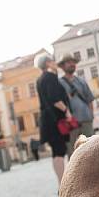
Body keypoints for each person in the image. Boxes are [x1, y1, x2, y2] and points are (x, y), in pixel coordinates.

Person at [34, 53, 72, 186]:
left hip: (47, 120)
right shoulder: (50, 77)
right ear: (47, 63)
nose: (55, 62)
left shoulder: (40, 79)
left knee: (56, 151)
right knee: (59, 151)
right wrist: (67, 111)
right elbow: (55, 99)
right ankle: (63, 184)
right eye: (52, 60)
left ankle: (61, 182)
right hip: (55, 120)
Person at [57, 53, 96, 156]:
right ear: (62, 66)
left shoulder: (81, 81)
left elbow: (90, 99)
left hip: (86, 120)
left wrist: (91, 115)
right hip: (70, 123)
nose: (72, 64)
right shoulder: (59, 83)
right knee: (73, 153)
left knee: (91, 149)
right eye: (69, 62)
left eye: (73, 62)